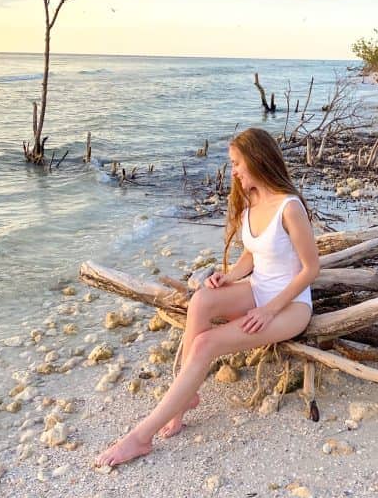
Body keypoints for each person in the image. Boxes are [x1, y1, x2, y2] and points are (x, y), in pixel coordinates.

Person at [95, 127, 320, 468]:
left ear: (257, 160)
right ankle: (185, 396)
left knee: (205, 344)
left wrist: (271, 311)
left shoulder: (289, 207)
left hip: (290, 306)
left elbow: (310, 269)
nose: (233, 171)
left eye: (236, 163)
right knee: (201, 300)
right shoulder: (253, 200)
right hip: (258, 288)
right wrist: (228, 277)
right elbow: (252, 253)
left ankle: (141, 437)